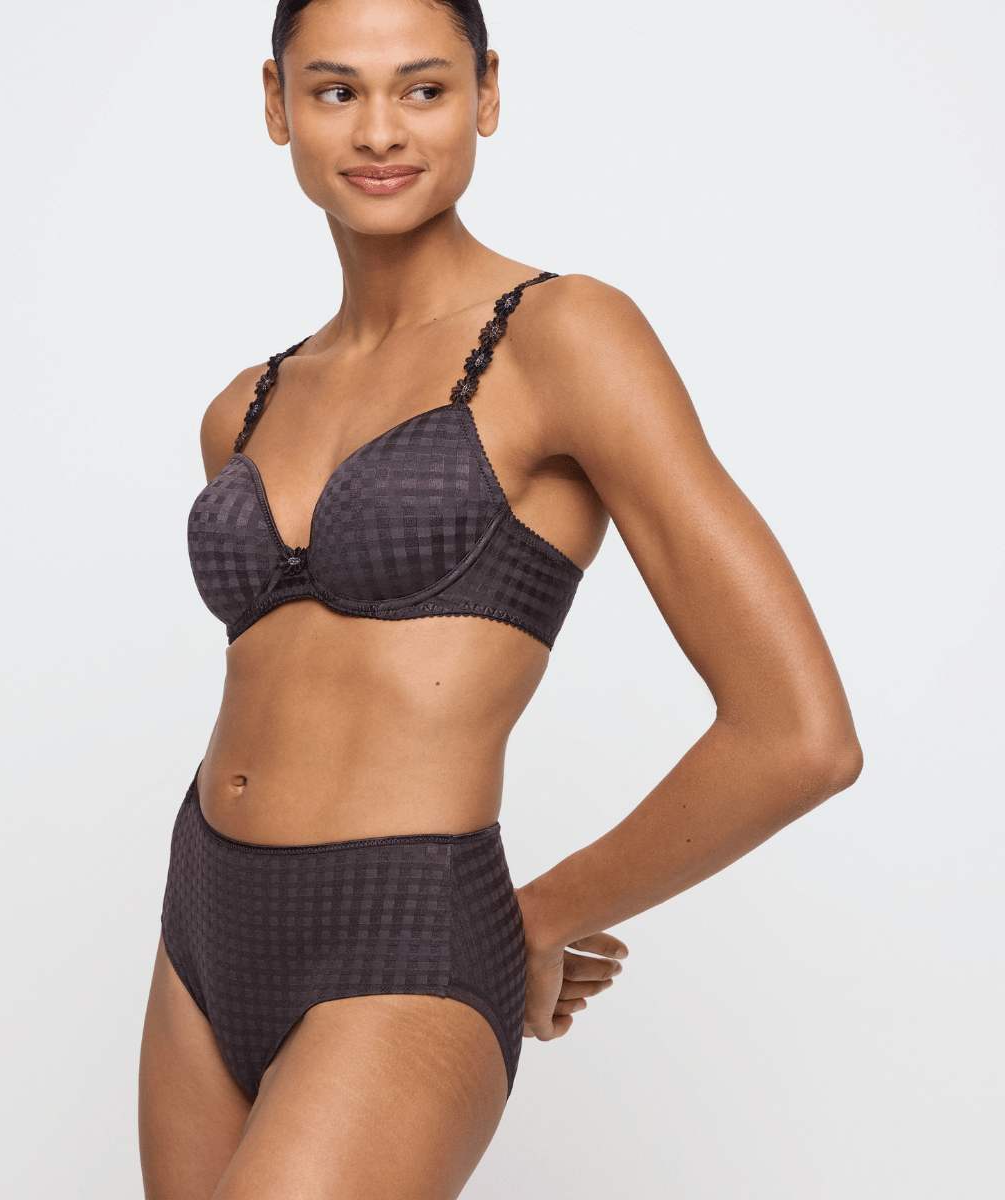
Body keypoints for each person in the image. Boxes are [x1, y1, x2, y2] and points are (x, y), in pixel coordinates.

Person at [137, 0, 863, 1195]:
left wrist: (540, 912)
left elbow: (799, 736)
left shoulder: (563, 337)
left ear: (485, 93)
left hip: (407, 929)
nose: (381, 131)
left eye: (423, 89)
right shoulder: (244, 408)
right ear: (277, 104)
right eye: (335, 90)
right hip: (202, 917)